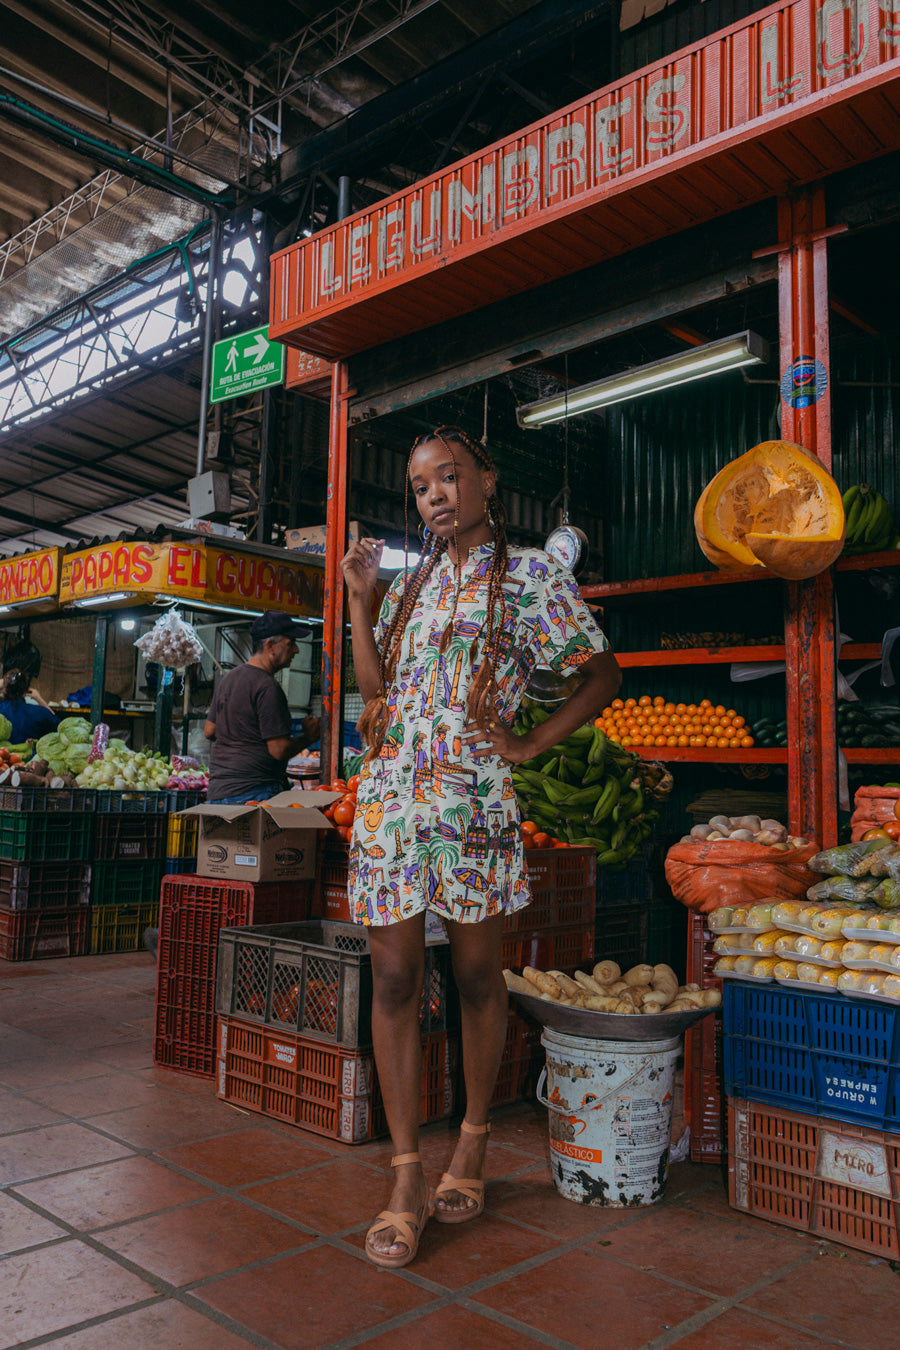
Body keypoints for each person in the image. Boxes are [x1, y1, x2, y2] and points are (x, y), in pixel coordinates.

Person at [341, 424, 621, 1269]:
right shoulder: (409, 585)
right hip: (392, 801)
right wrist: (360, 602)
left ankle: (471, 1142)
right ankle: (403, 1176)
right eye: (422, 485)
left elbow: (601, 674)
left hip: (472, 804)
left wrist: (531, 745)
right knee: (392, 976)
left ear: (486, 482)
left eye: (450, 477)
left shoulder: (532, 575)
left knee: (471, 975)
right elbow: (376, 697)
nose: (435, 495)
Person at [203, 611, 320, 804]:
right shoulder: (267, 687)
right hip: (255, 792)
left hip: (218, 791)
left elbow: (210, 730)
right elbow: (279, 750)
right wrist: (308, 737)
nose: (296, 650)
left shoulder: (229, 679)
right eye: (290, 643)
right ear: (271, 646)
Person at [0, 668, 58, 742]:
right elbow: (58, 726)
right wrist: (39, 699)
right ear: (27, 690)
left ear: (4, 689)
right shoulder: (39, 712)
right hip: (30, 753)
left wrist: (6, 683)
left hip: (3, 753)